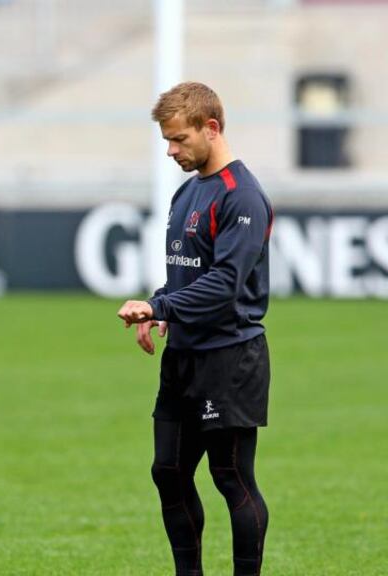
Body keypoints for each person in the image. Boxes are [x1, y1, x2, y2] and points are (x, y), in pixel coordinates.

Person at [118, 81, 274, 576]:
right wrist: (161, 310)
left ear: (212, 128)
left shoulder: (242, 195)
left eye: (180, 139)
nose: (171, 150)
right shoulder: (187, 193)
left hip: (229, 358)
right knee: (168, 471)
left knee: (232, 478)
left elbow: (226, 284)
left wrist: (157, 306)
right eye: (167, 140)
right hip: (183, 356)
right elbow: (190, 273)